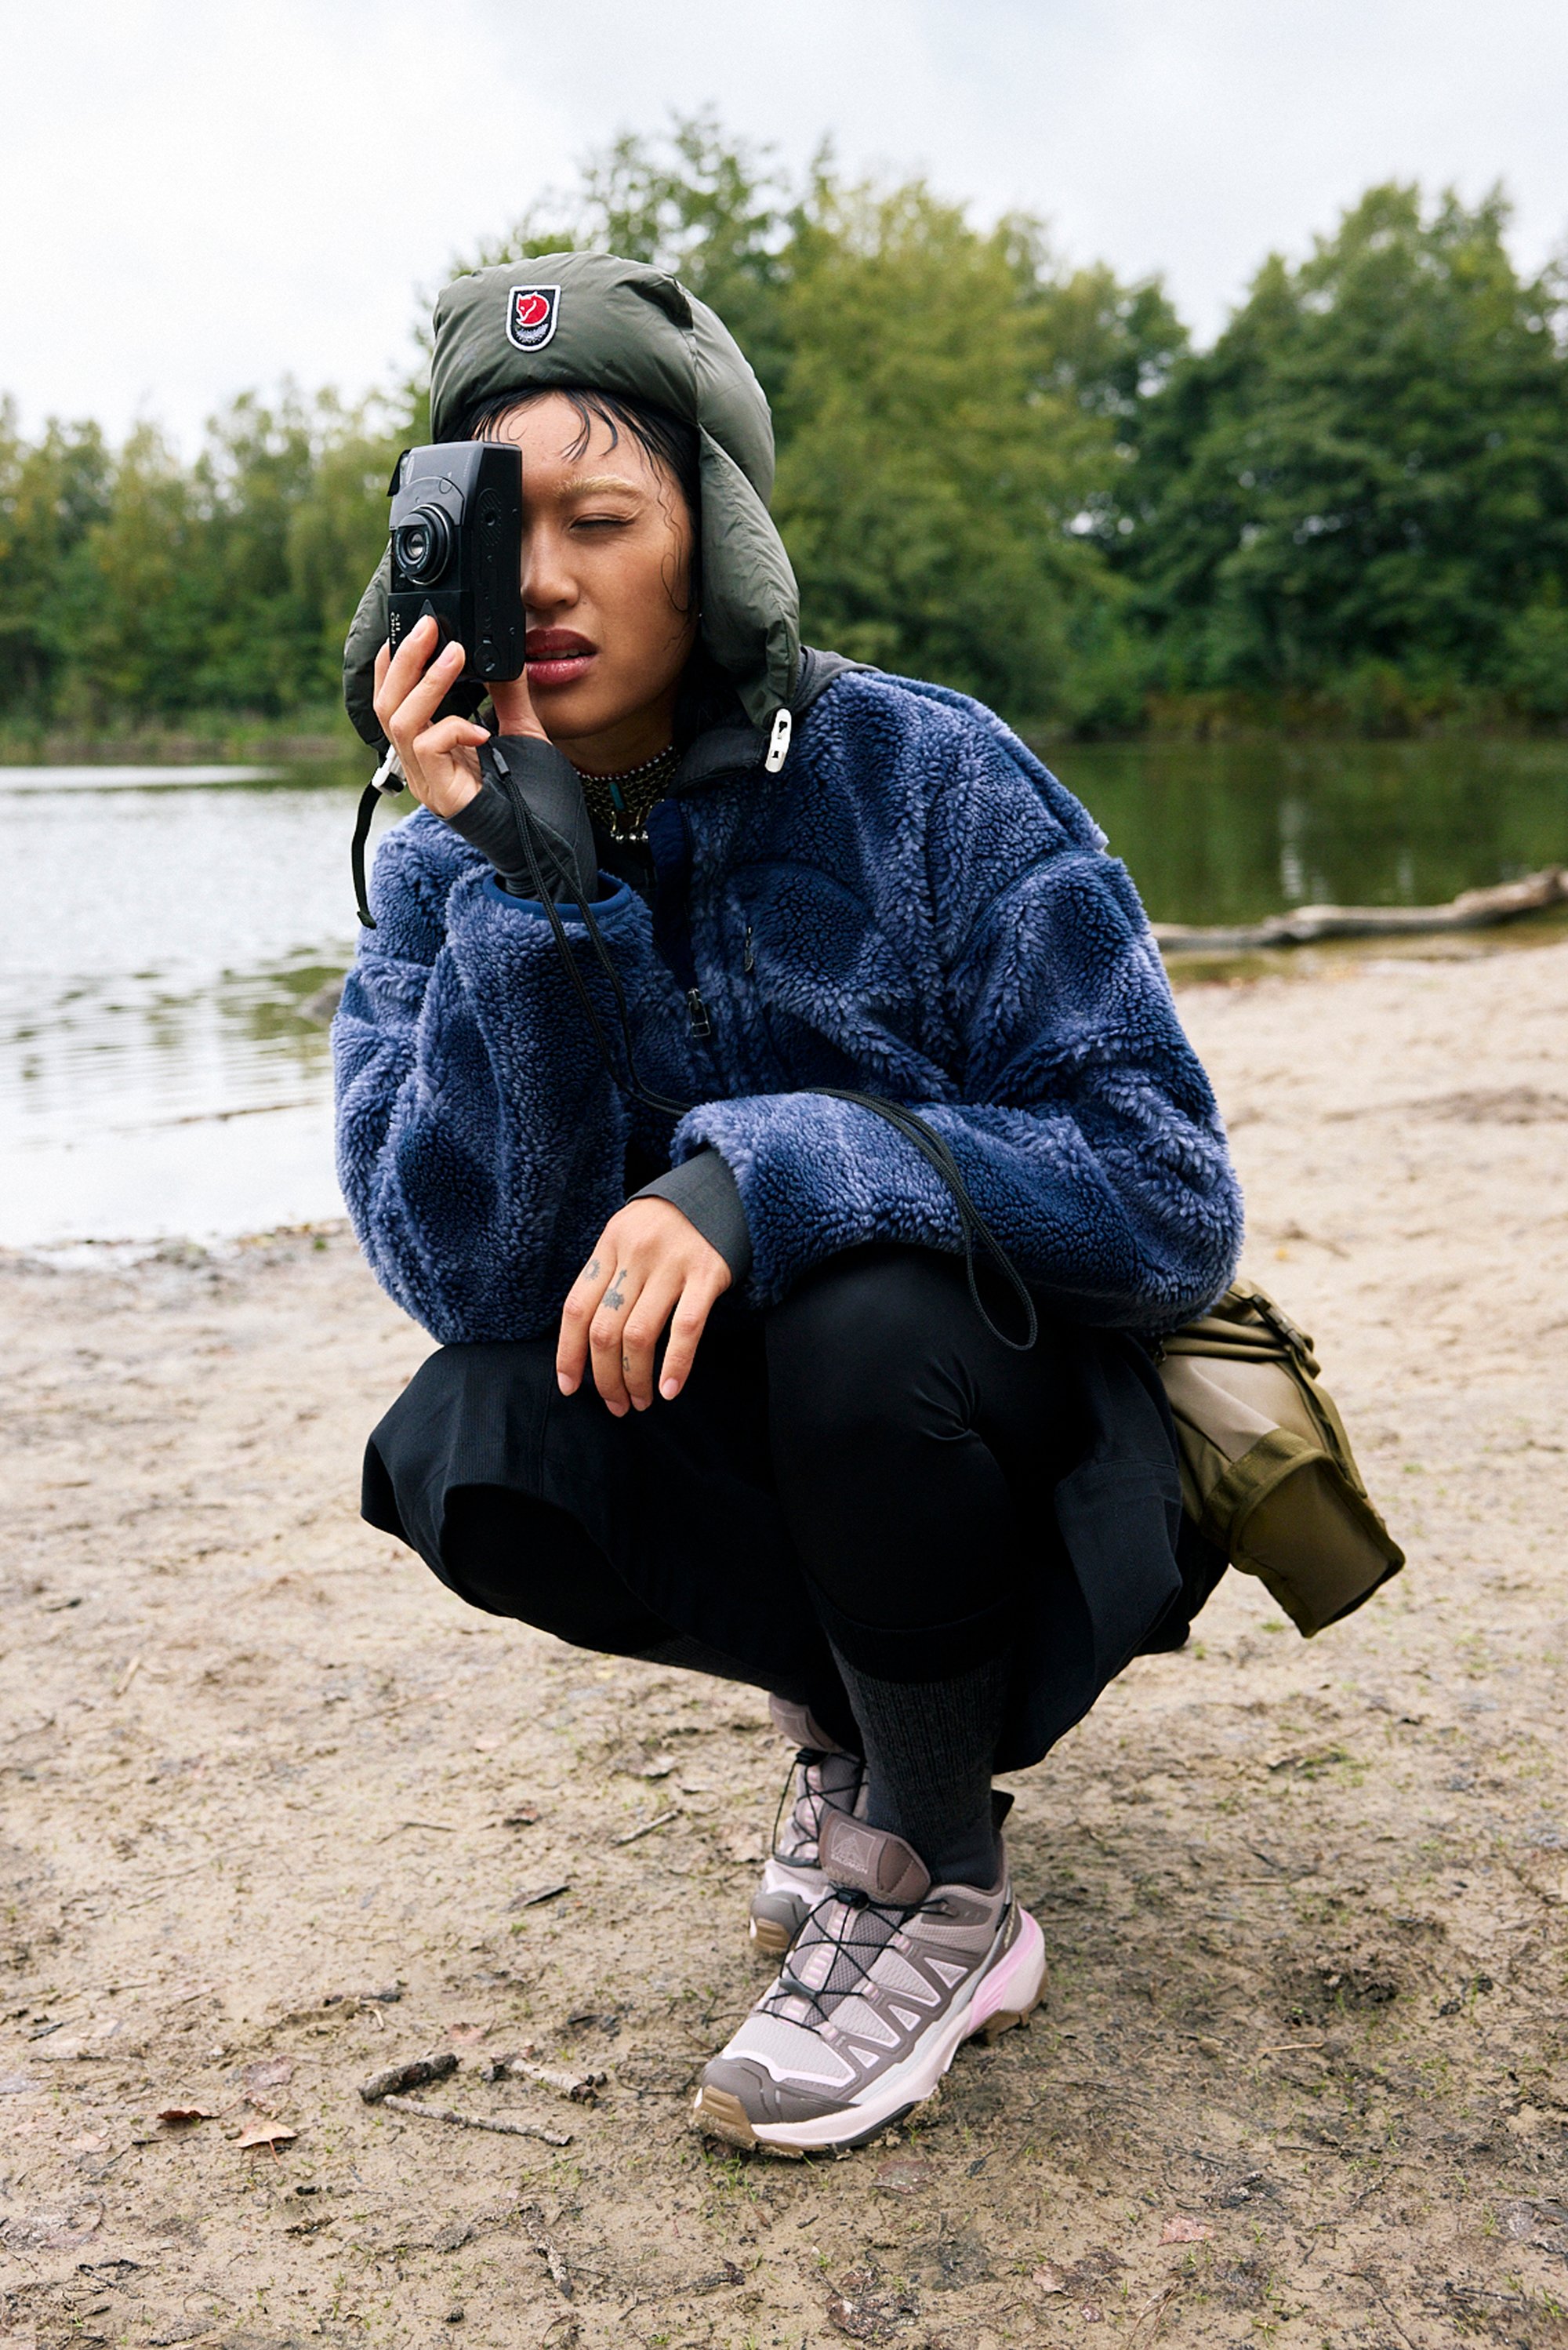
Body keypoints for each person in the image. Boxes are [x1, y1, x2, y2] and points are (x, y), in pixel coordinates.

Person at [333, 251, 1243, 2157]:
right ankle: (846, 1722)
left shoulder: (923, 771)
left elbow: (1165, 1187)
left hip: (1039, 1468)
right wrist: (522, 881)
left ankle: (935, 1880)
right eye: (515, 534)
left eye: (608, 519)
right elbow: (473, 1280)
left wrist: (768, 1173)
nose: (554, 582)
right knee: (469, 1435)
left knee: (852, 1308)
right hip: (786, 1463)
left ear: (714, 537)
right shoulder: (447, 849)